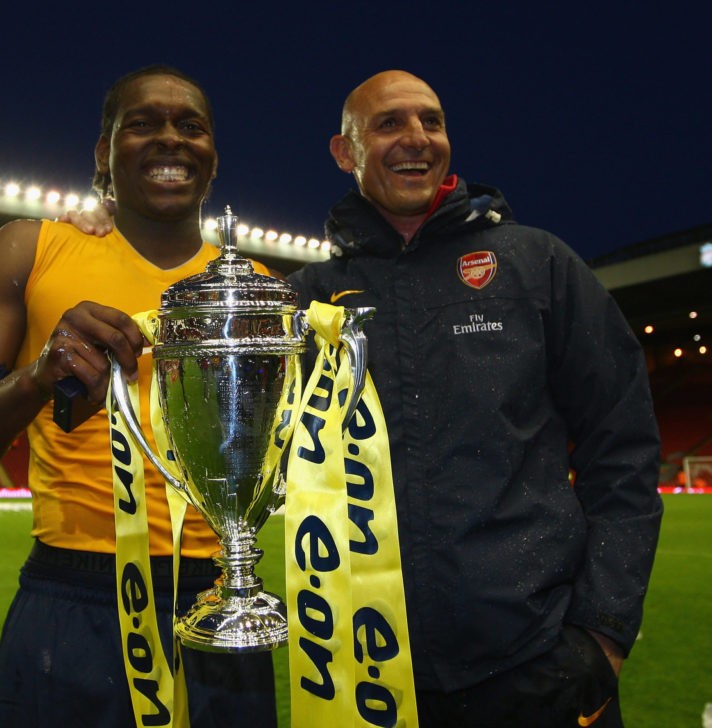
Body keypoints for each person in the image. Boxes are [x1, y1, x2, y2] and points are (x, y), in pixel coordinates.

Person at [285, 70, 664, 727]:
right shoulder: (308, 297)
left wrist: (602, 635)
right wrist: (110, 221)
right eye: (389, 123)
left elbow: (624, 450)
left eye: (431, 121)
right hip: (369, 674)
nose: (418, 138)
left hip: (537, 666)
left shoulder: (537, 264)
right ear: (344, 152)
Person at [0, 65, 277, 728]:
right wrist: (35, 379)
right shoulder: (31, 249)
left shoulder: (254, 290)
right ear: (103, 153)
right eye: (143, 124)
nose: (171, 138)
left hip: (223, 607)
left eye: (190, 126)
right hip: (74, 602)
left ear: (213, 157)